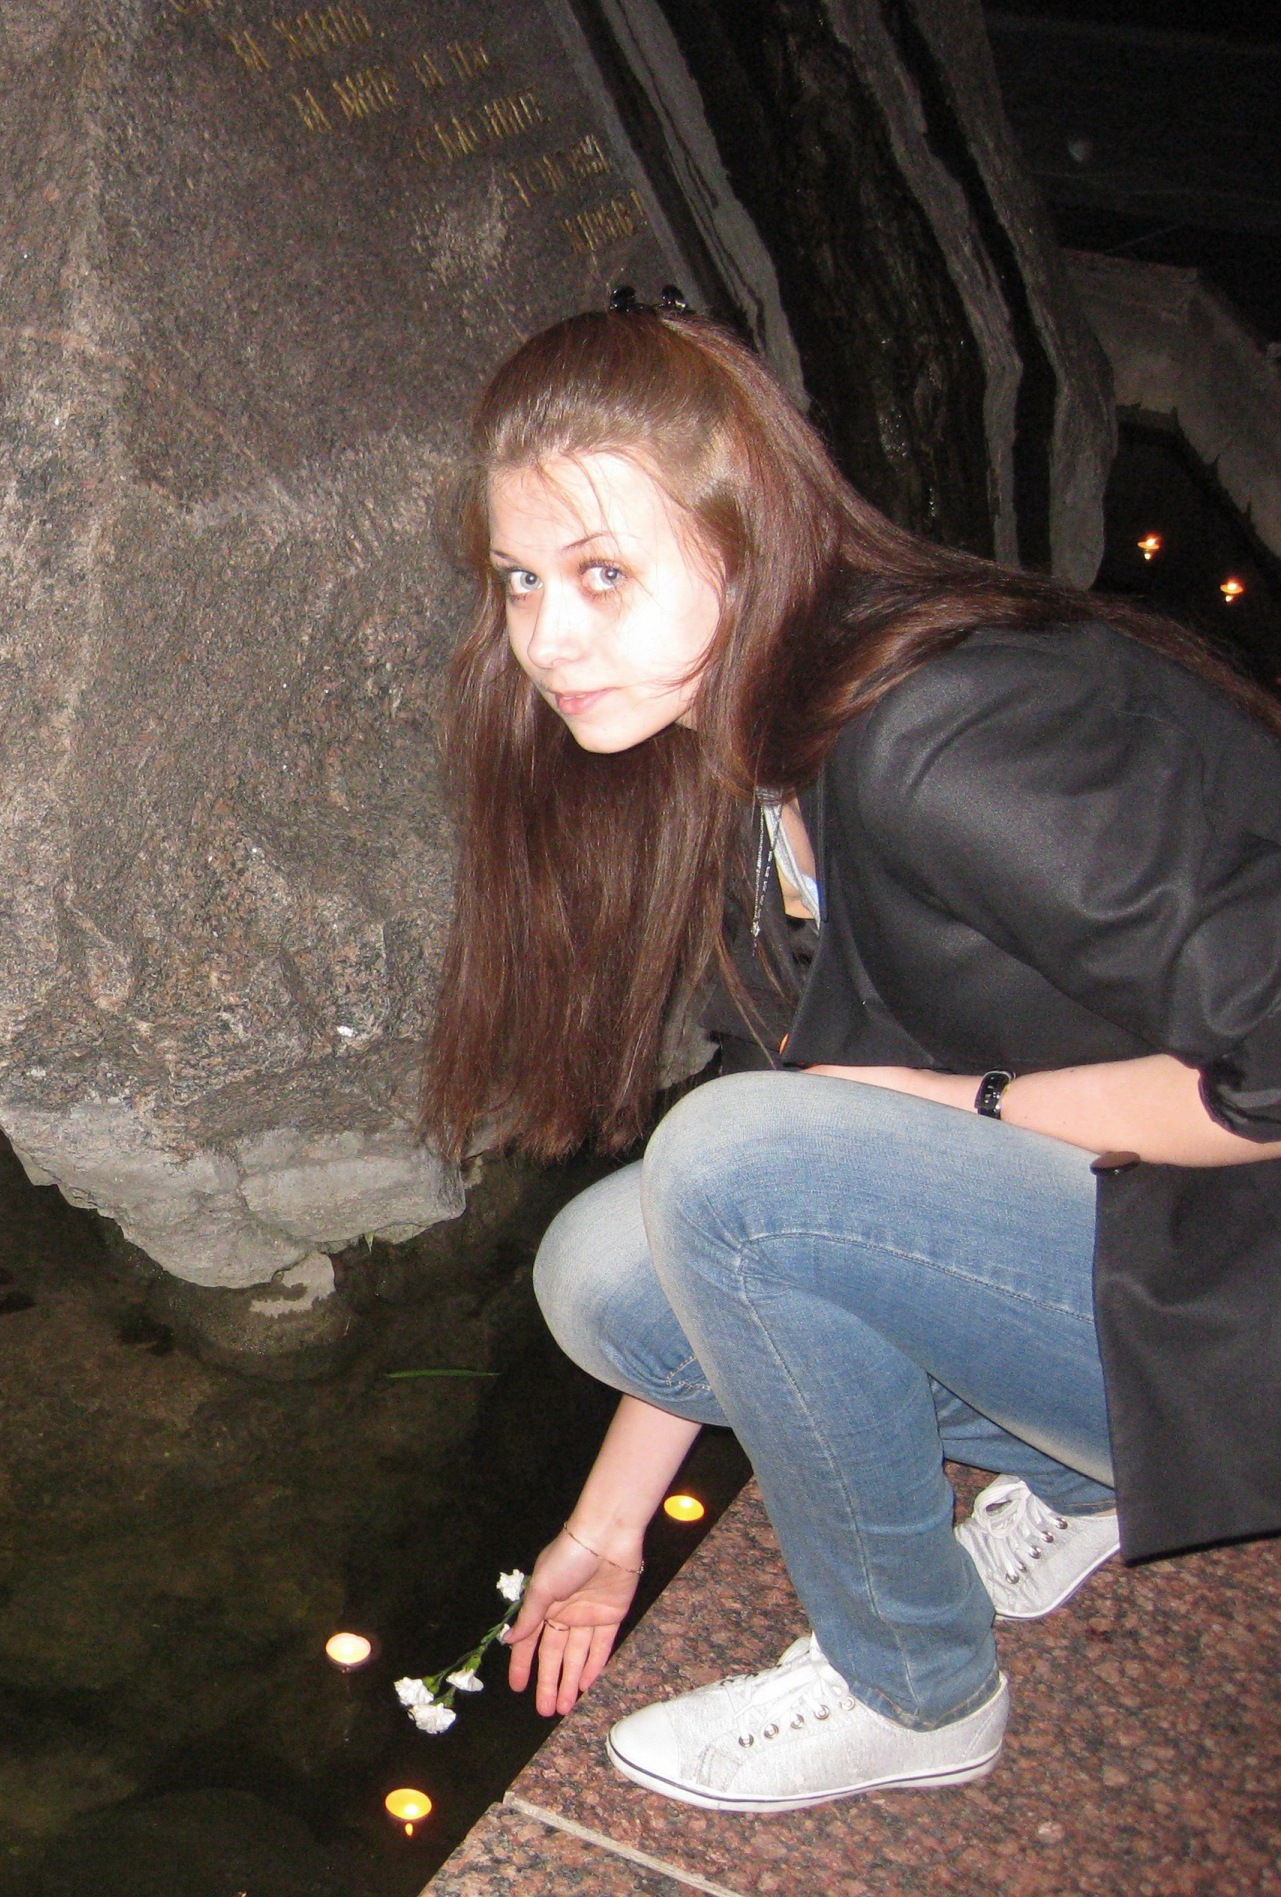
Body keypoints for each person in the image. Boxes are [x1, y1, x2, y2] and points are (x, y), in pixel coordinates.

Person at [418, 295, 1281, 1813]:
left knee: (729, 1160)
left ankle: (911, 1686)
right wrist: (606, 1533)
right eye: (521, 580)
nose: (545, 638)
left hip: (1243, 1298)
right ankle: (1086, 1476)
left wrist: (970, 1103)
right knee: (608, 1274)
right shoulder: (749, 761)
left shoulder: (949, 737)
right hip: (1154, 1239)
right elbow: (761, 1195)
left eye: (603, 572)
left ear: (744, 539)